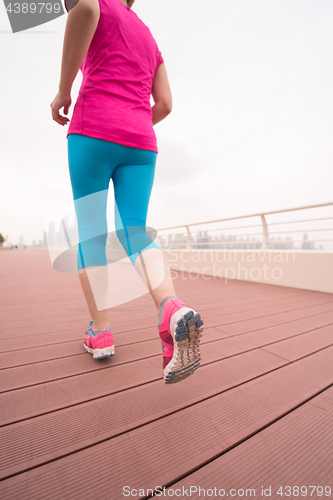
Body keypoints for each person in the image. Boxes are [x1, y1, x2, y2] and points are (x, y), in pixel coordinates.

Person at [50, 0, 203, 383]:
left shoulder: (98, 4)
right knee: (134, 228)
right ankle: (171, 306)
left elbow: (81, 7)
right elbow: (165, 104)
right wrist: (133, 121)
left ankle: (100, 331)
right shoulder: (149, 37)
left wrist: (63, 91)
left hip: (93, 129)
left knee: (91, 232)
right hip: (141, 141)